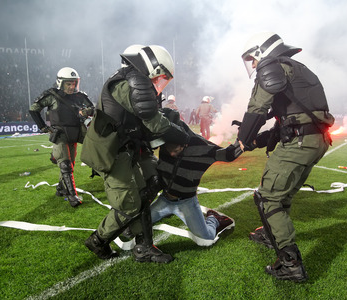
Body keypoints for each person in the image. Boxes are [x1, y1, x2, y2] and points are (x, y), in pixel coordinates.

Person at [237, 32, 335, 282]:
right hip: (315, 139)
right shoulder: (297, 68)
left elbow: (257, 109)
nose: (254, 65)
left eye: (253, 59)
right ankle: (270, 235)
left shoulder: (272, 66)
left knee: (269, 198)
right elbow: (294, 117)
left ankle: (290, 263)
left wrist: (243, 138)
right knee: (282, 194)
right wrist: (258, 141)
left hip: (301, 143)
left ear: (262, 52)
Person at [81, 45, 189, 263]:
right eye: (159, 74)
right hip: (112, 152)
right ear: (147, 66)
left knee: (151, 183)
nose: (158, 81)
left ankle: (143, 246)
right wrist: (183, 136)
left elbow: (146, 122)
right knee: (129, 204)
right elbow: (154, 122)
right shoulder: (127, 83)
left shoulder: (130, 82)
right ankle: (98, 240)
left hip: (128, 147)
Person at [151, 108, 243, 241]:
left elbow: (228, 155)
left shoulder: (201, 145)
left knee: (206, 238)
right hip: (164, 199)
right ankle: (168, 211)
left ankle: (214, 219)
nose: (170, 152)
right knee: (135, 228)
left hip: (186, 202)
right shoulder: (162, 139)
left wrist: (244, 137)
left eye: (174, 144)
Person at [29, 67, 95, 208]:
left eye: (73, 83)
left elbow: (94, 108)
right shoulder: (52, 95)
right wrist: (42, 126)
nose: (72, 87)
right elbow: (33, 108)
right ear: (61, 83)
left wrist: (87, 111)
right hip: (60, 133)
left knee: (69, 164)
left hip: (76, 132)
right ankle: (72, 196)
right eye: (68, 84)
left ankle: (61, 188)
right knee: (65, 164)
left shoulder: (80, 95)